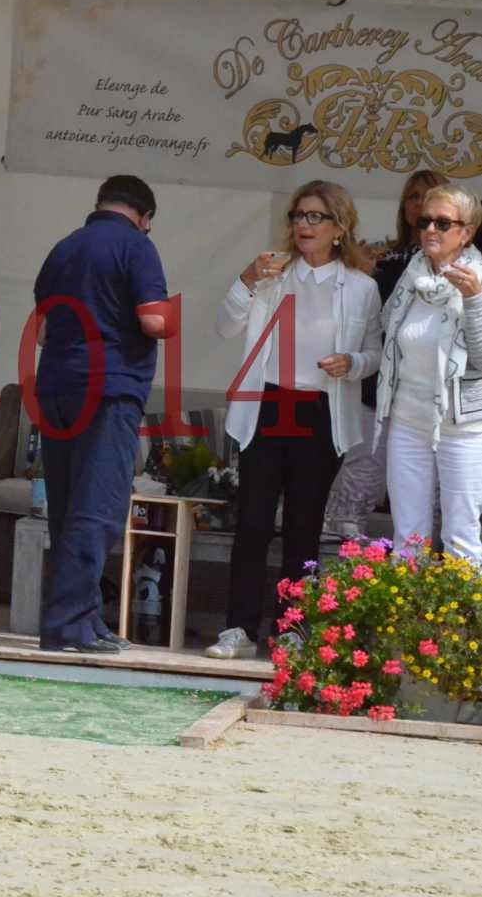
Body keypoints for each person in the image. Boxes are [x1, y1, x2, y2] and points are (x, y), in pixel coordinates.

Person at [206, 180, 382, 660]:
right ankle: (238, 629)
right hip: (266, 404)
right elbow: (225, 325)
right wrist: (245, 279)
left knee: (303, 525)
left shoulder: (362, 287)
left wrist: (353, 362)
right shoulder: (271, 272)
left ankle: (293, 628)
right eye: (297, 216)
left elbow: (374, 352)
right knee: (254, 521)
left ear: (339, 228)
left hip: (320, 410)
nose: (303, 225)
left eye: (314, 217)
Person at [32, 175, 171, 653]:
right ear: (145, 217)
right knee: (99, 508)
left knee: (67, 507)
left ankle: (85, 618)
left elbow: (43, 332)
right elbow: (154, 320)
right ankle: (69, 622)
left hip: (55, 386)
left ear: (99, 204)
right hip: (108, 389)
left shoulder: (64, 247)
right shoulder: (137, 247)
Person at [323, 169, 447, 539]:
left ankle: (431, 550)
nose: (420, 206)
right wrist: (358, 269)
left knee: (433, 472)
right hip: (380, 381)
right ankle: (340, 537)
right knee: (365, 460)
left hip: (433, 386)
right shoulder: (383, 257)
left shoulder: (464, 261)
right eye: (413, 197)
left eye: (429, 197)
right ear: (404, 207)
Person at [374, 182, 482, 564]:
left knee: (461, 535)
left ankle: (463, 624)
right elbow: (388, 334)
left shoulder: (478, 279)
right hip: (408, 418)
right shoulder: (411, 276)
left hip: (463, 426)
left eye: (442, 222)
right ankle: (406, 624)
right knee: (409, 537)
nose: (431, 230)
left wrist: (474, 301)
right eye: (424, 221)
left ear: (466, 232)